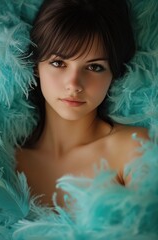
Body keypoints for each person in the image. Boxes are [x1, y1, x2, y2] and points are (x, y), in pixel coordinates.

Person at [16, 0, 149, 208]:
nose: (74, 84)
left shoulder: (134, 149)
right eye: (58, 63)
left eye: (95, 67)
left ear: (114, 74)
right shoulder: (9, 162)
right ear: (35, 67)